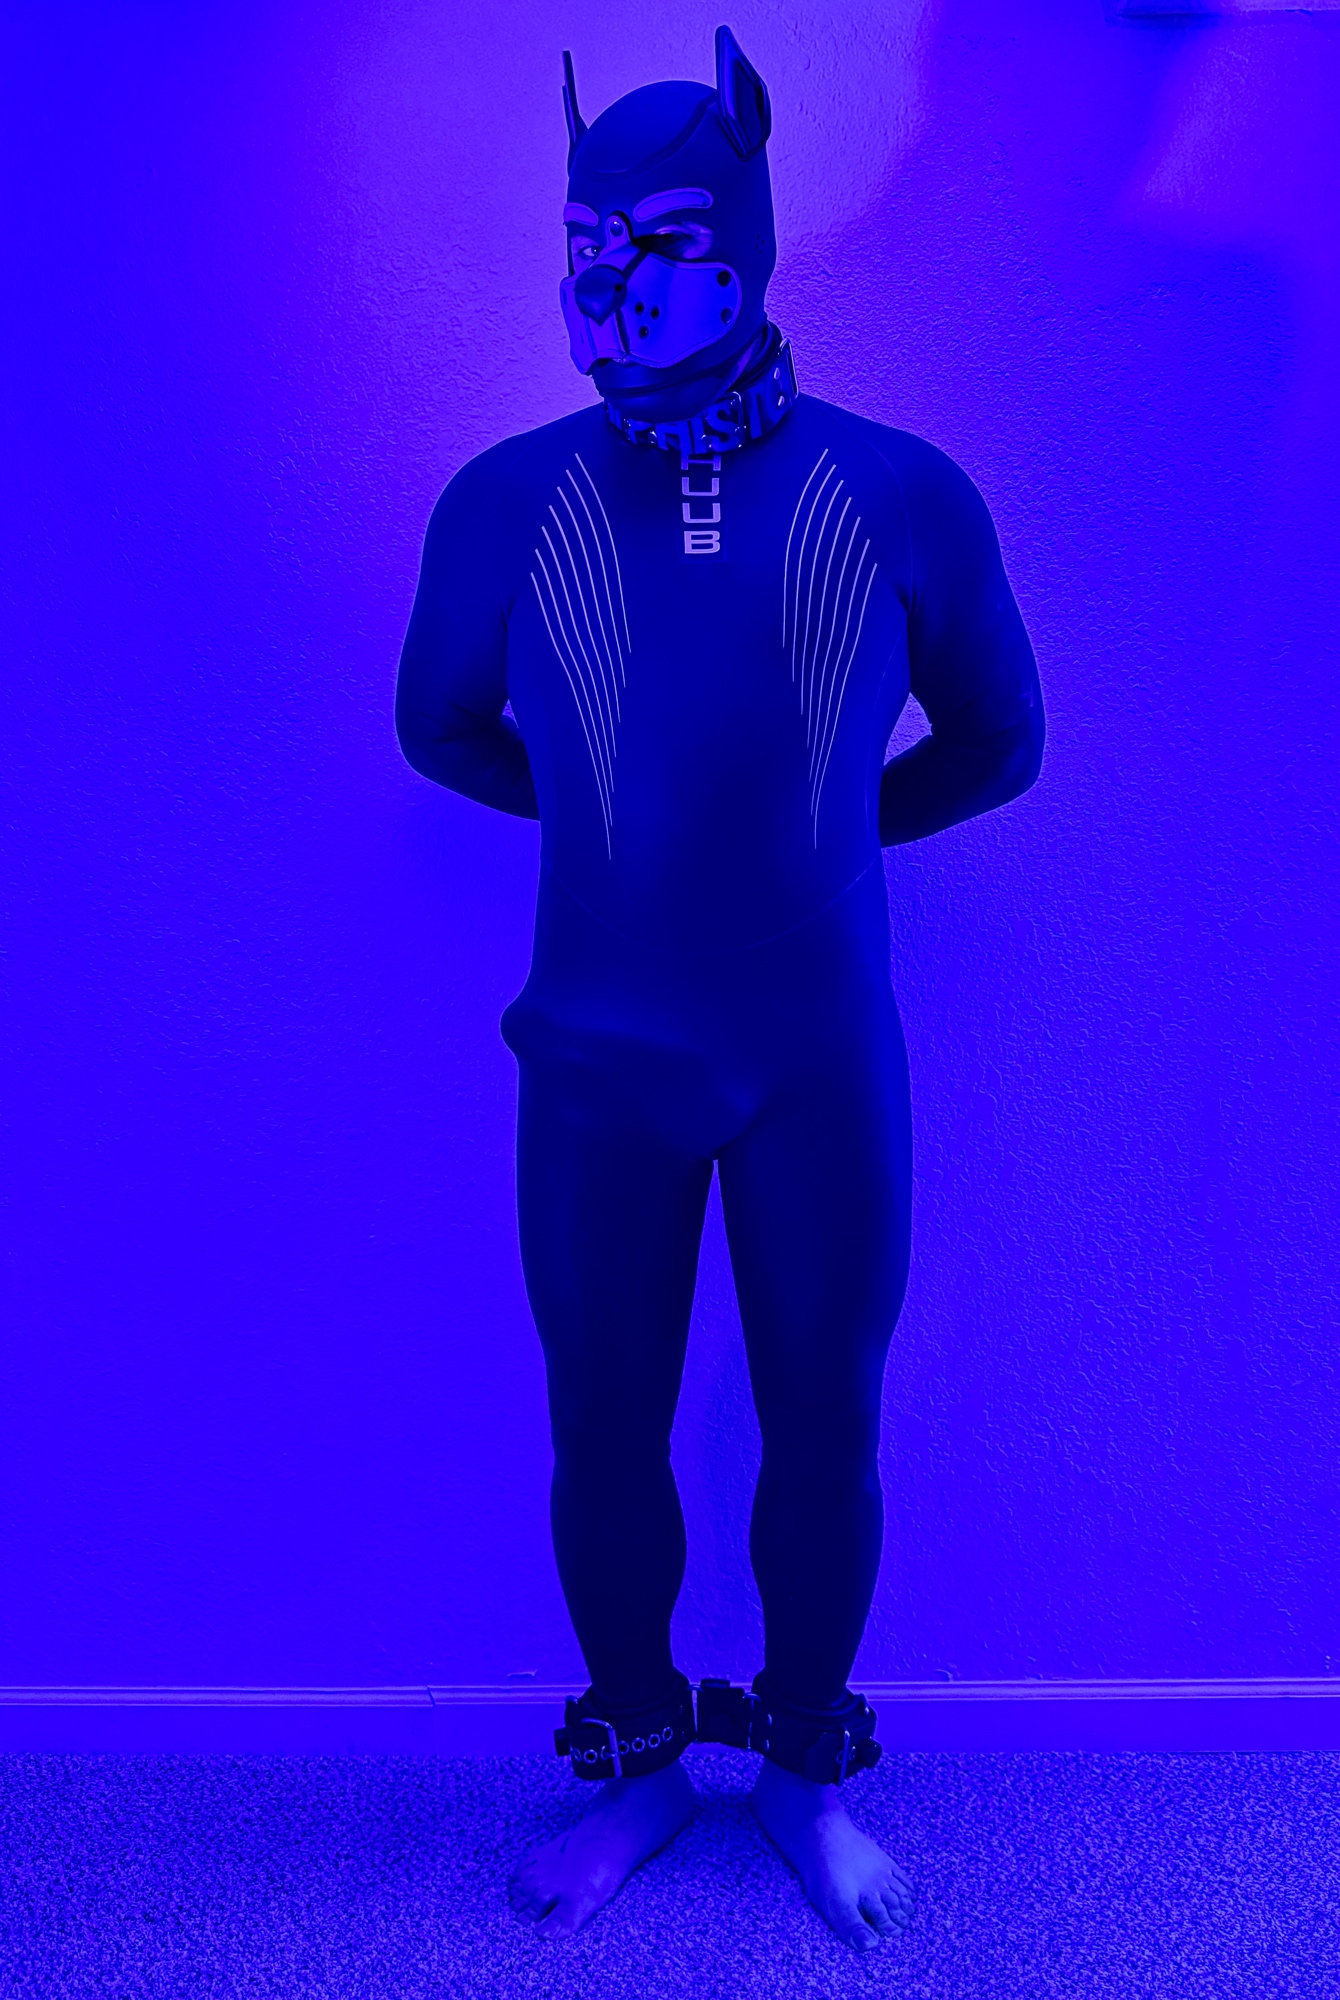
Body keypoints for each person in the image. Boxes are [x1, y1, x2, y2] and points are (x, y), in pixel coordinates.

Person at [395, 26, 1044, 1953]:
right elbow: (441, 729)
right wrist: (624, 835)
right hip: (594, 1060)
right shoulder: (502, 503)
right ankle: (644, 1761)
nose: (615, 285)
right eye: (584, 244)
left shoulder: (901, 495)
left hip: (815, 1058)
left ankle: (802, 1773)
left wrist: (826, 834)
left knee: (822, 1419)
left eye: (668, 239)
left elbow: (997, 744)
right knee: (602, 1421)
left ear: (752, 242)